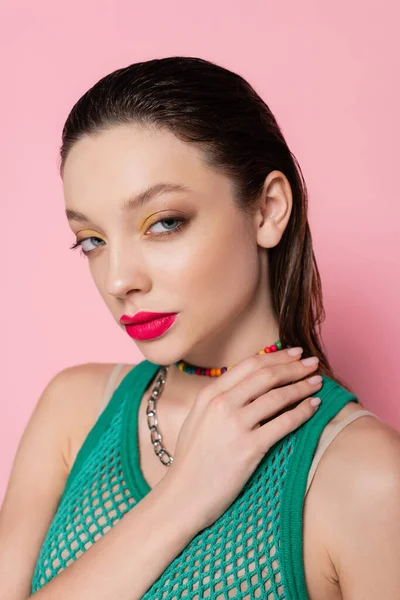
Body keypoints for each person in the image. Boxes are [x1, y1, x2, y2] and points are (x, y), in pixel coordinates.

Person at [1, 56, 399, 600]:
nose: (119, 279)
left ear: (267, 211)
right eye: (92, 239)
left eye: (163, 223)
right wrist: (185, 493)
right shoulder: (75, 411)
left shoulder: (365, 478)